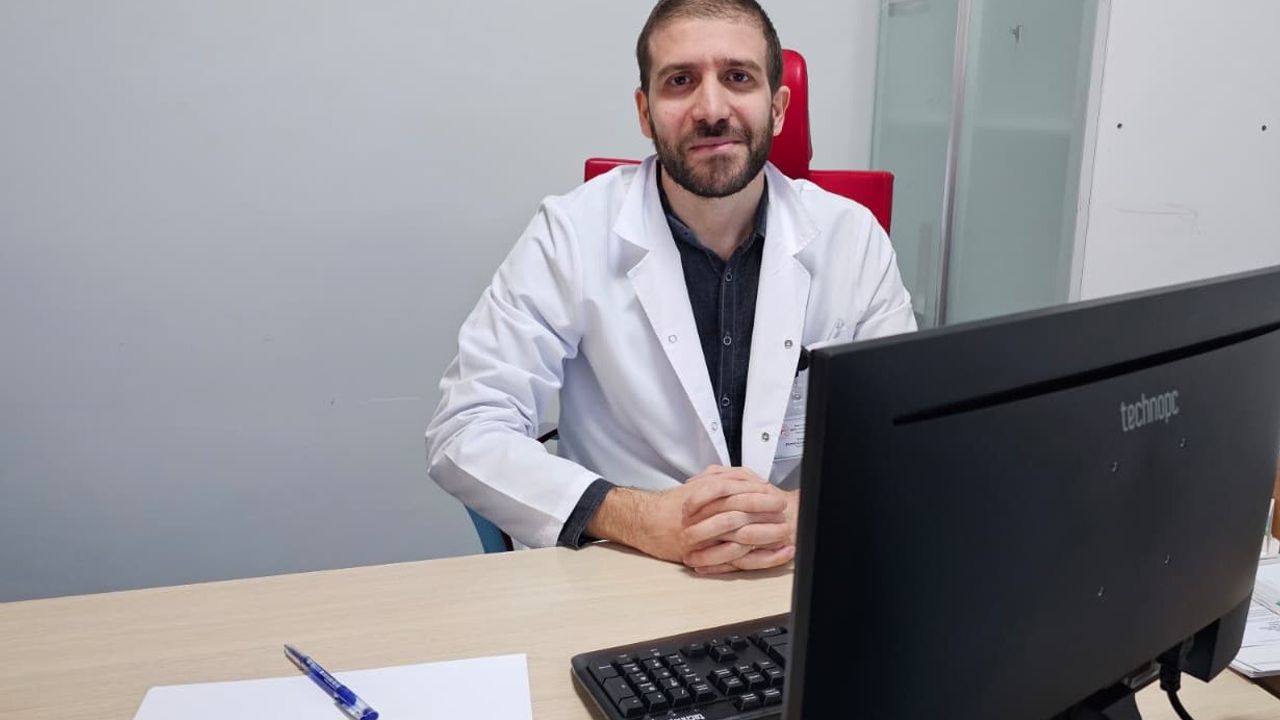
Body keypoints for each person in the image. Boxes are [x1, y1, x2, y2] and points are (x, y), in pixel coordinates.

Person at [425, 0, 915, 574]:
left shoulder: (851, 237)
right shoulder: (571, 233)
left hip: (794, 570)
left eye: (738, 77)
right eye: (680, 81)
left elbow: (901, 432)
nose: (712, 110)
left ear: (778, 108)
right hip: (625, 568)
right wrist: (639, 518)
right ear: (645, 112)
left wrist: (802, 511)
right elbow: (465, 428)